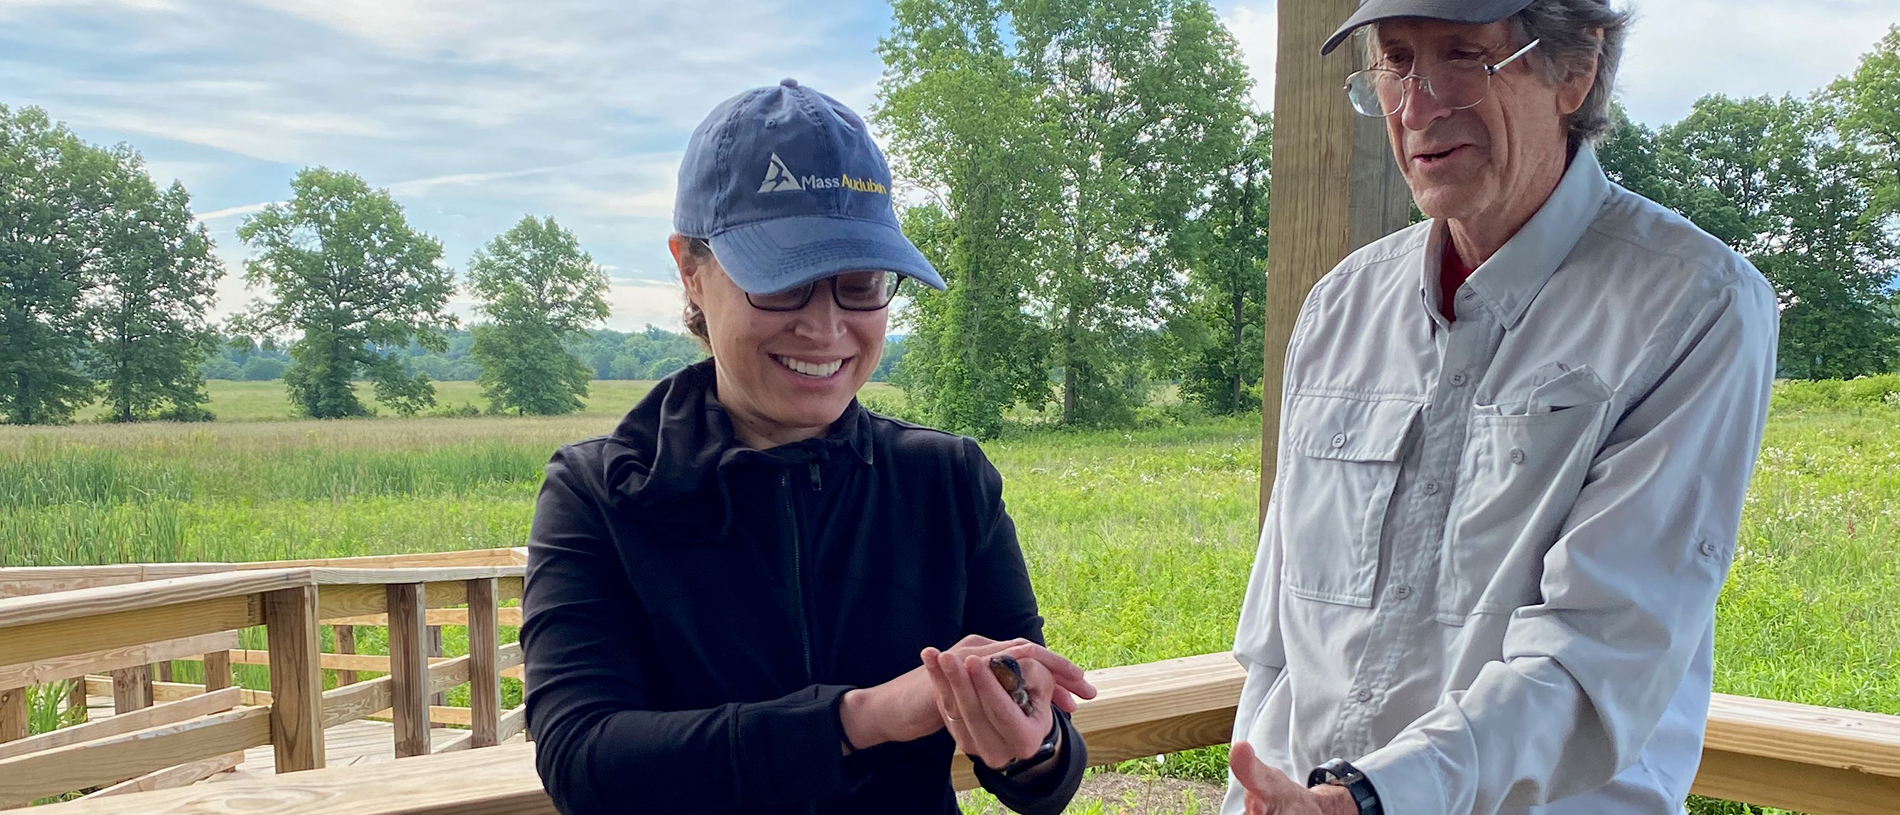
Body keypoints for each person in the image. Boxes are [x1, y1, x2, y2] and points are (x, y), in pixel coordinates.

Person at [1223, 2, 1778, 814]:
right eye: (1396, 60)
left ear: (1575, 70)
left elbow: (1591, 660)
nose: (1418, 104)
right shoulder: (1340, 308)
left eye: (1463, 56)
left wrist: (1370, 798)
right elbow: (1276, 652)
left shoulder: (1694, 305)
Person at [518, 79, 1095, 815]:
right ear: (690, 273)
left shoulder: (945, 480)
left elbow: (1045, 771)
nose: (825, 329)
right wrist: (862, 716)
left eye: (859, 284)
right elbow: (584, 760)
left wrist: (1031, 741)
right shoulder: (600, 492)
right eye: (781, 283)